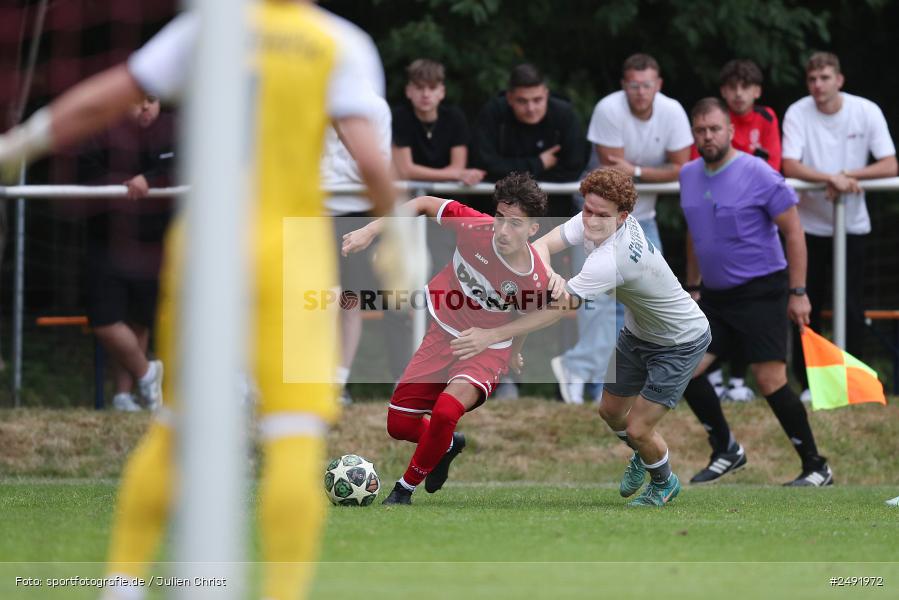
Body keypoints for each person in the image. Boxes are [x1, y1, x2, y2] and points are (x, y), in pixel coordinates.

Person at [0, 5, 411, 600]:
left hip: (209, 244)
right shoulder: (339, 43)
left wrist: (17, 146)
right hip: (292, 248)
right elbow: (372, 161)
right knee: (295, 434)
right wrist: (396, 232)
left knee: (177, 426)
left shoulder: (212, 28)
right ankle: (282, 592)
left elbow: (103, 98)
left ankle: (123, 581)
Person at [450, 168, 711, 507]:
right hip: (638, 332)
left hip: (681, 340)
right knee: (610, 412)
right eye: (587, 210)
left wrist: (495, 335)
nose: (590, 220)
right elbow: (541, 246)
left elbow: (556, 311)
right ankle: (647, 456)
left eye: (602, 215)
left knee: (637, 429)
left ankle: (663, 482)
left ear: (623, 217)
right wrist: (551, 276)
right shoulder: (592, 217)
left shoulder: (611, 260)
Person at [341, 172, 551, 505]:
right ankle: (447, 445)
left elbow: (531, 315)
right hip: (443, 332)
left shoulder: (534, 279)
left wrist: (509, 350)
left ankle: (403, 490)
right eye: (500, 218)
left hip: (487, 349)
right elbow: (422, 203)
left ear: (532, 229)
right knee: (398, 424)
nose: (503, 230)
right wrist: (370, 230)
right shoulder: (474, 226)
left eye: (515, 224)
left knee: (445, 411)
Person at [680, 97, 832, 487]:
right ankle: (726, 449)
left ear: (730, 131)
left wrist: (798, 292)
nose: (707, 136)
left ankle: (816, 466)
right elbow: (695, 234)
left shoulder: (758, 173)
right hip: (714, 297)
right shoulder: (689, 175)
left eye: (714, 129)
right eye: (700, 130)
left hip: (762, 291)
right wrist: (693, 286)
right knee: (684, 370)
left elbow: (794, 232)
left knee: (769, 381)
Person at [551, 53, 692, 405]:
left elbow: (683, 166)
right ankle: (579, 368)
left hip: (641, 220)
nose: (640, 92)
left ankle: (602, 377)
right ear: (623, 85)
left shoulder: (672, 112)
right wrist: (646, 170)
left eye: (647, 85)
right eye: (633, 85)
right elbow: (616, 174)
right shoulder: (609, 109)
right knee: (596, 301)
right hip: (599, 218)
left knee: (639, 300)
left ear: (658, 85)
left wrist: (640, 171)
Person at [782, 52, 897, 403]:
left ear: (839, 80)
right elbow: (789, 164)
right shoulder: (798, 112)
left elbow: (890, 163)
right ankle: (810, 386)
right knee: (804, 305)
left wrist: (849, 176)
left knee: (853, 307)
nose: (818, 85)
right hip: (809, 227)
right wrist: (830, 177)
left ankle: (855, 385)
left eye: (825, 78)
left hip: (853, 227)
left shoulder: (866, 110)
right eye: (812, 79)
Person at [77, 95, 173, 412]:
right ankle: (148, 372)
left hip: (155, 239)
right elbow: (84, 172)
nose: (146, 108)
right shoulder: (101, 131)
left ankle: (125, 396)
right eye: (137, 101)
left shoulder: (173, 130)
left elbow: (183, 167)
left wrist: (150, 179)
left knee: (139, 318)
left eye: (152, 101)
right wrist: (124, 185)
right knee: (104, 319)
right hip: (105, 241)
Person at [696, 58, 782, 404]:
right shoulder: (713, 120)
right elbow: (701, 164)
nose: (738, 93)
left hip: (752, 221)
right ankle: (716, 375)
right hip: (714, 219)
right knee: (714, 299)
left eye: (745, 86)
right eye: (731, 86)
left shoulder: (767, 118)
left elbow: (772, 166)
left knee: (748, 302)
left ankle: (737, 379)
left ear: (757, 91)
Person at [323, 89, 407, 401]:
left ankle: (337, 384)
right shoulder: (306, 96)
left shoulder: (374, 106)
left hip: (355, 212)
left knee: (349, 300)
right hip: (311, 210)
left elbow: (374, 166)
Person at [471, 63, 587, 210]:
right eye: (522, 101)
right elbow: (484, 165)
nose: (531, 108)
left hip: (552, 208)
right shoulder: (493, 113)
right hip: (498, 207)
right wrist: (538, 164)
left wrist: (507, 170)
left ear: (546, 94)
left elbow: (573, 168)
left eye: (537, 100)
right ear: (509, 98)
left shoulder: (564, 115)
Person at [391, 58, 485, 186]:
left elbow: (457, 167)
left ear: (442, 92)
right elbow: (405, 171)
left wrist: (456, 173)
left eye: (432, 88)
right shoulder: (399, 117)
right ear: (408, 91)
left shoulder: (455, 117)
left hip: (447, 197)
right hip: (409, 196)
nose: (425, 94)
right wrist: (455, 175)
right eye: (419, 88)